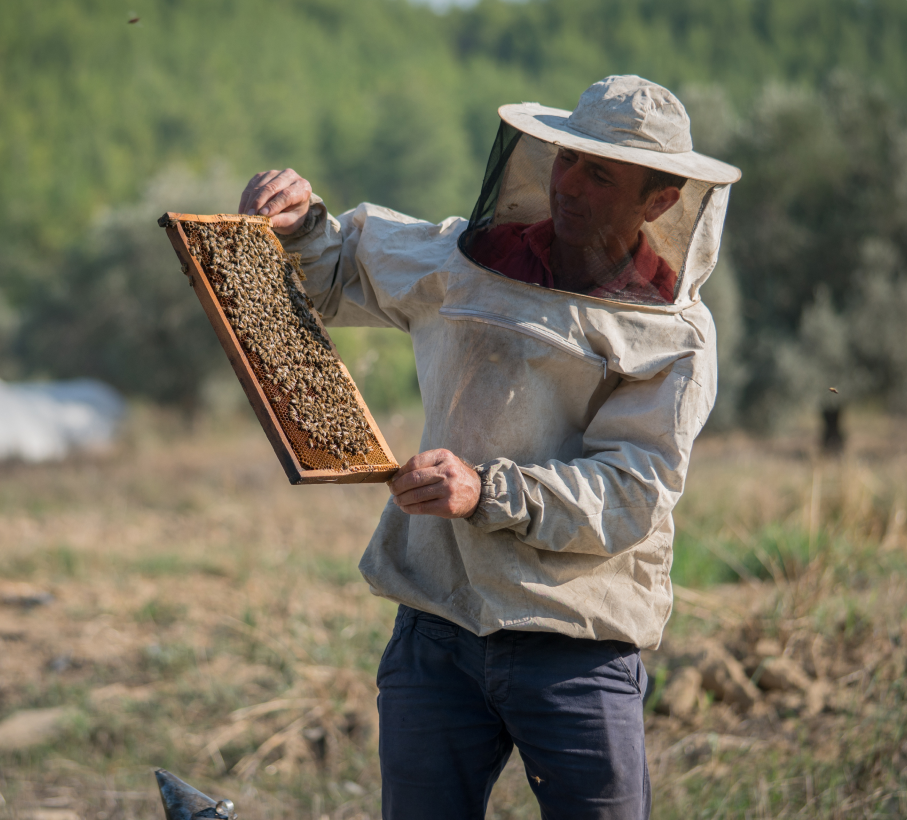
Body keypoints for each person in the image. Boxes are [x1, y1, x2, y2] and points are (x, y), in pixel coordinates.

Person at [237, 75, 740, 820]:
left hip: (575, 639)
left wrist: (487, 490)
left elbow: (630, 493)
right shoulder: (466, 259)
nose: (567, 182)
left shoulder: (671, 337)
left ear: (659, 202)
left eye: (599, 173)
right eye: (567, 158)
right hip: (436, 621)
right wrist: (301, 220)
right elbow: (337, 273)